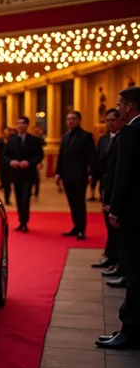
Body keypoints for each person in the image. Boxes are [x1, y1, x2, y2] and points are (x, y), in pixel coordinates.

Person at [96, 87, 140, 350]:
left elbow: (125, 174)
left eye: (120, 104)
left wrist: (115, 209)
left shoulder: (132, 132)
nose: (118, 108)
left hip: (134, 215)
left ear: (131, 107)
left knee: (134, 272)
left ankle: (130, 330)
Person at [55, 111, 98, 240]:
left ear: (79, 120)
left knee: (80, 203)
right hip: (67, 176)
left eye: (73, 119)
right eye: (68, 119)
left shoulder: (86, 136)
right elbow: (61, 157)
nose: (70, 121)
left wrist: (91, 175)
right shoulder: (65, 136)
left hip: (80, 175)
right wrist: (58, 173)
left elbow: (92, 157)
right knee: (72, 203)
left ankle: (81, 229)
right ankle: (76, 226)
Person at [93, 108, 123, 272]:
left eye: (113, 120)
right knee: (108, 223)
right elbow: (100, 163)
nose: (110, 123)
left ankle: (117, 261)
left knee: (116, 224)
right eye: (108, 120)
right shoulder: (103, 139)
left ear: (120, 121)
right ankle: (110, 256)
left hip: (116, 185)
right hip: (105, 185)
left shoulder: (125, 138)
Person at [4, 116, 44, 232]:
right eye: (18, 123)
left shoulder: (34, 140)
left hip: (29, 173)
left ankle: (25, 222)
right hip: (16, 173)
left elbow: (40, 156)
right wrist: (12, 162)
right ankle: (21, 220)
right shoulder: (11, 139)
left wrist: (29, 162)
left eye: (22, 123)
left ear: (27, 125)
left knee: (25, 198)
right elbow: (5, 155)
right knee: (18, 198)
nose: (20, 126)